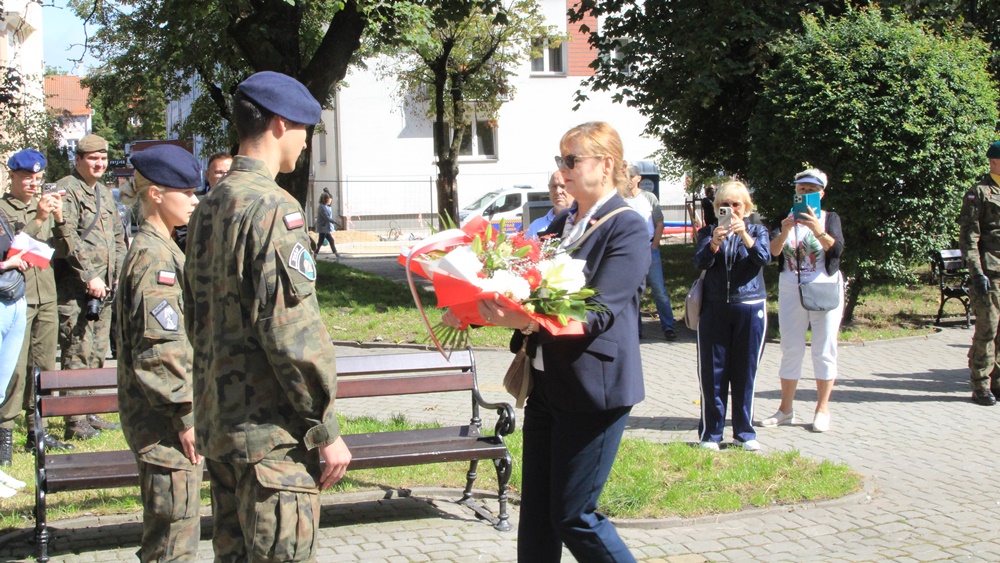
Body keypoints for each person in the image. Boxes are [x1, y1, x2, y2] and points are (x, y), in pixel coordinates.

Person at [445, 121, 648, 562]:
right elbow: (518, 287)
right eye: (561, 160)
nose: (563, 170)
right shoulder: (562, 222)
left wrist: (528, 320)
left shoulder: (627, 228)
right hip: (546, 386)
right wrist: (470, 308)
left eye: (572, 160)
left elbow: (599, 312)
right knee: (537, 513)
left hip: (594, 390)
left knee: (574, 514)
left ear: (606, 164)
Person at [183, 71, 352, 561]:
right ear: (280, 125)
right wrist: (325, 429)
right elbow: (292, 335)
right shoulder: (274, 209)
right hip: (272, 443)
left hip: (223, 432)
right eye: (304, 130)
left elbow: (196, 320)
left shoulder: (208, 205)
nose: (305, 143)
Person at [116, 145, 204, 561]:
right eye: (185, 192)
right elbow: (160, 350)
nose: (194, 200)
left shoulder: (160, 247)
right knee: (172, 542)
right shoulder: (156, 258)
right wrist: (186, 416)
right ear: (155, 194)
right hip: (165, 424)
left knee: (170, 532)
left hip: (160, 420)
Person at [0, 150, 74, 459]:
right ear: (13, 176)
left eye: (38, 178)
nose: (33, 183)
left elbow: (67, 250)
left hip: (46, 297)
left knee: (44, 366)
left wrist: (58, 219)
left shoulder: (47, 207)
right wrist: (39, 218)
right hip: (17, 299)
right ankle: (4, 433)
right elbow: (10, 252)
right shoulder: (3, 210)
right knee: (15, 371)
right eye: (27, 178)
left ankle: (36, 431)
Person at [53, 134, 127, 440]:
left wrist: (119, 275)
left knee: (97, 350)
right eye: (92, 159)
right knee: (77, 351)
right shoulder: (67, 190)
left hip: (105, 287)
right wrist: (90, 275)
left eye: (103, 159)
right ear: (79, 160)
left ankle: (90, 410)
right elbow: (66, 237)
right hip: (77, 287)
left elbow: (117, 237)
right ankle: (74, 420)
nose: (99, 164)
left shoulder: (104, 194)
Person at [761, 169, 845, 432]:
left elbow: (837, 248)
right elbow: (772, 253)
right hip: (790, 289)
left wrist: (817, 230)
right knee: (790, 348)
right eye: (801, 189)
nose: (805, 194)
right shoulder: (784, 218)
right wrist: (784, 231)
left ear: (821, 193)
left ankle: (822, 409)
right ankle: (786, 409)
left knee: (824, 348)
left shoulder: (829, 218)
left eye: (811, 190)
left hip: (824, 289)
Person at [694, 181, 770, 451]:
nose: (730, 210)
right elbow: (700, 262)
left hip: (749, 307)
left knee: (745, 372)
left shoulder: (758, 230)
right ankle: (711, 434)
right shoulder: (708, 232)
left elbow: (763, 258)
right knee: (712, 374)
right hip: (715, 308)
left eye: (736, 204)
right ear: (716, 208)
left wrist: (745, 236)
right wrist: (714, 242)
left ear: (746, 208)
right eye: (724, 205)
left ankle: (745, 433)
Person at [959, 140, 1000, 406]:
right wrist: (977, 272)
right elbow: (969, 237)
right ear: (995, 161)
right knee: (988, 328)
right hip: (990, 270)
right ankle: (981, 385)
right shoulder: (980, 192)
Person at [626, 164, 676, 340]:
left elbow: (659, 222)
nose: (627, 180)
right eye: (624, 176)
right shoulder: (620, 199)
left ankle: (668, 326)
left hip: (649, 249)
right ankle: (636, 330)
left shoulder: (648, 197)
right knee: (633, 292)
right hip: (630, 252)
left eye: (630, 176)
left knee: (659, 289)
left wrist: (655, 244)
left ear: (638, 178)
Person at [525, 170, 573, 239]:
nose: (557, 191)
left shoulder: (582, 222)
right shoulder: (536, 226)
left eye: (563, 186)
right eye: (554, 186)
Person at [315, 192, 340, 260]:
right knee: (321, 242)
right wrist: (334, 222)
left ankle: (336, 254)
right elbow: (326, 217)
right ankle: (314, 254)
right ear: (326, 199)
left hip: (325, 227)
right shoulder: (321, 207)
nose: (330, 201)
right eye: (328, 199)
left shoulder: (325, 206)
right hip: (323, 227)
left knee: (330, 240)